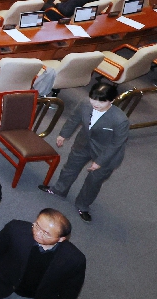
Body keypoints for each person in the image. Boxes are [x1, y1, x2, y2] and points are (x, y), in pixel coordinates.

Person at [40, 82, 129, 222]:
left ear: (112, 100)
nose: (96, 103)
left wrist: (99, 162)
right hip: (83, 144)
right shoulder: (85, 103)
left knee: (93, 181)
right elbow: (74, 118)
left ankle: (83, 205)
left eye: (102, 101)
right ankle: (59, 190)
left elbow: (116, 144)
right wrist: (63, 134)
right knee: (69, 168)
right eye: (93, 98)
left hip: (106, 154)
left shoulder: (120, 120)